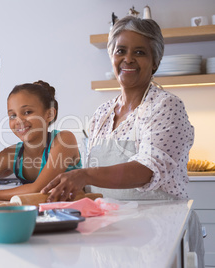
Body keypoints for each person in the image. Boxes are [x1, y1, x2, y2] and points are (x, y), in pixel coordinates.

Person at [41, 16, 204, 267]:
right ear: (111, 57)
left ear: (155, 62)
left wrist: (85, 175)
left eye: (139, 52)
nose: (128, 59)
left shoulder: (165, 106)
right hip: (111, 234)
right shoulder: (101, 114)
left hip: (162, 233)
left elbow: (146, 170)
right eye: (121, 51)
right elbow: (97, 187)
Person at [0, 81, 82, 200]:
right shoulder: (11, 155)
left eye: (27, 112)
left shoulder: (64, 140)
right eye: (12, 115)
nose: (19, 121)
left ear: (49, 114)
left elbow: (38, 189)